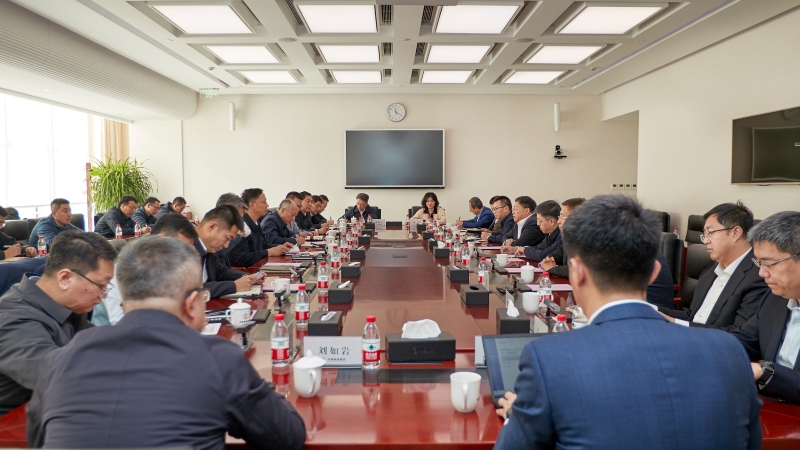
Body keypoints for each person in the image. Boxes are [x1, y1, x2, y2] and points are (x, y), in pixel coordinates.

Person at [494, 195, 761, 450]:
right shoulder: (729, 352)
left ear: (576, 273)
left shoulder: (548, 358)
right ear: (654, 272)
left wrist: (520, 417)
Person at [27, 236, 306, 449]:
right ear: (192, 304)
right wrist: (264, 393)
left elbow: (38, 440)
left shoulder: (60, 359)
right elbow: (287, 436)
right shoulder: (218, 360)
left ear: (124, 304)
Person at [0, 231, 116, 416]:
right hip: (13, 426)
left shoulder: (66, 305)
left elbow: (102, 345)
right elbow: (61, 378)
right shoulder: (12, 319)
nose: (104, 295)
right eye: (101, 285)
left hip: (50, 411)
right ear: (65, 278)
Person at [660, 201, 768, 331]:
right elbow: (693, 317)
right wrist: (652, 310)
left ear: (736, 233)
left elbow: (739, 334)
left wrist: (674, 323)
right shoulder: (710, 272)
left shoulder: (759, 277)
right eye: (705, 235)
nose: (705, 241)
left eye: (710, 233)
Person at [731, 211, 800, 404]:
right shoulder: (775, 299)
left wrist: (767, 372)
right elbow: (743, 340)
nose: (762, 273)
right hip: (771, 408)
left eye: (769, 264)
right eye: (759, 263)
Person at [91, 213, 202, 326]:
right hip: (114, 334)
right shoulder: (124, 269)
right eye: (180, 249)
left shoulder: (167, 268)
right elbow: (120, 321)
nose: (183, 255)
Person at [196, 205, 262, 299]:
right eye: (227, 238)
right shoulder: (182, 248)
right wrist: (234, 286)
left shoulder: (208, 248)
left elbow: (221, 271)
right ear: (212, 227)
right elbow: (189, 291)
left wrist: (248, 277)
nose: (226, 246)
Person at [229, 189, 293, 267]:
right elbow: (242, 259)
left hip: (259, 267)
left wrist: (280, 247)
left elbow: (263, 246)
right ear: (252, 205)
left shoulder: (256, 222)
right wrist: (268, 252)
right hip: (248, 270)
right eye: (264, 202)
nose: (267, 205)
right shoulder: (242, 225)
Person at [540, 198, 585, 278]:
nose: (558, 222)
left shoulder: (590, 241)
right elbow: (552, 257)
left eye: (562, 217)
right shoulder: (568, 239)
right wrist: (547, 262)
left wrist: (552, 269)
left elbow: (578, 269)